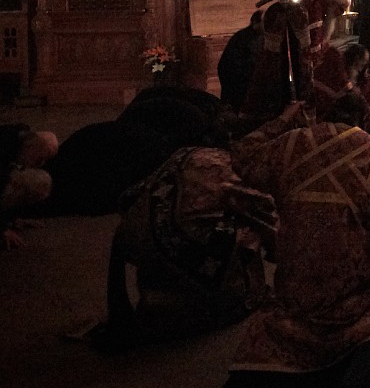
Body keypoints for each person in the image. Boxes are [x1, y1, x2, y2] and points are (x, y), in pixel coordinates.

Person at [230, 101, 370, 373]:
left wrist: (284, 118)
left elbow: (241, 155)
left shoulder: (288, 145)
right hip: (353, 298)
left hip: (296, 294)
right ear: (363, 120)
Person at [93, 145, 275, 350]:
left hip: (135, 247)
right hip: (192, 262)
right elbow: (275, 230)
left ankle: (167, 302)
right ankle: (227, 300)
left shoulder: (189, 154)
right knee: (248, 225)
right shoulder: (243, 177)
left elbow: (127, 199)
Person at [1, 124, 56, 250]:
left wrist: (12, 219)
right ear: (30, 147)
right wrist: (2, 230)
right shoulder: (5, 148)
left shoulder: (21, 143)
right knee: (37, 182)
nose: (40, 164)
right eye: (40, 159)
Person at [217, 10, 264, 111]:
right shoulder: (246, 38)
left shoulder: (252, 36)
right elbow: (241, 62)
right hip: (235, 76)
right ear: (255, 22)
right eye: (263, 23)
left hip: (236, 74)